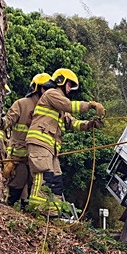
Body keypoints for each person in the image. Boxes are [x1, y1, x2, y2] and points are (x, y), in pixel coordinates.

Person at [25, 68, 105, 217]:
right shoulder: (52, 94)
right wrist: (91, 105)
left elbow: (73, 123)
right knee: (43, 177)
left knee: (56, 181)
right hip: (40, 143)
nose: (70, 88)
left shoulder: (60, 108)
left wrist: (90, 124)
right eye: (69, 84)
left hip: (51, 148)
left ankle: (52, 213)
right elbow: (70, 105)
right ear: (61, 81)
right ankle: (36, 211)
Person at [1, 73, 51, 206]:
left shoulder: (49, 110)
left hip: (37, 159)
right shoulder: (22, 104)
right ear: (39, 88)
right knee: (16, 186)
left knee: (31, 192)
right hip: (19, 158)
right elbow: (7, 121)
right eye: (46, 88)